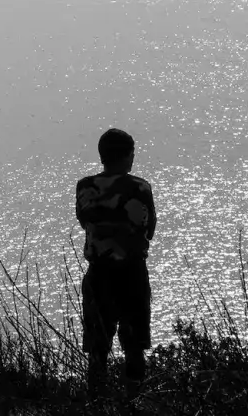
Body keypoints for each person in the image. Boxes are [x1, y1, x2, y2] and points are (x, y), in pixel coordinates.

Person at [75, 127, 156, 395]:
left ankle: (96, 403)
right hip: (131, 273)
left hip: (98, 274)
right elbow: (149, 230)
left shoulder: (86, 187)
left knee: (98, 349)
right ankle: (134, 400)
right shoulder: (140, 187)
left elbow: (85, 221)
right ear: (127, 156)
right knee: (134, 347)